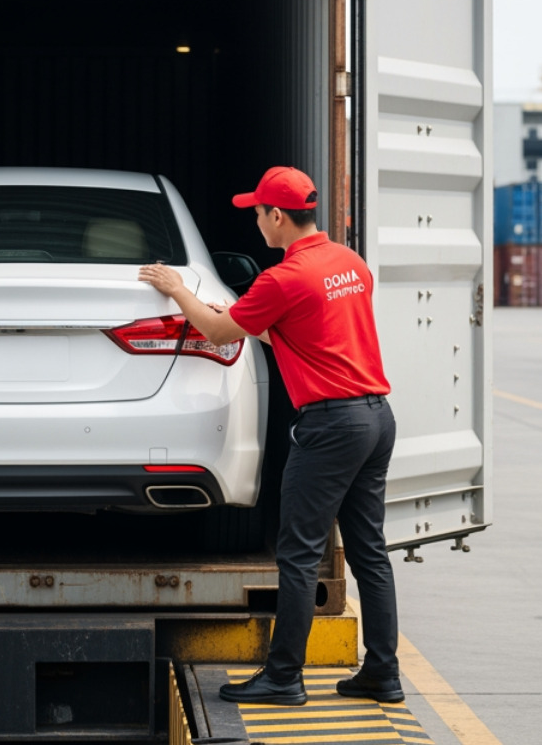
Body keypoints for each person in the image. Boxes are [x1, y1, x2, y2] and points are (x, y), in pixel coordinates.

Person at [139, 166, 401, 707]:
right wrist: (233, 314)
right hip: (375, 419)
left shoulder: (281, 278)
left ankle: (283, 677)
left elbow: (217, 332)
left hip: (331, 425)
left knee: (299, 555)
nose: (256, 221)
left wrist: (178, 291)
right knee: (370, 552)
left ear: (277, 216)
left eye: (257, 212)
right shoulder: (350, 264)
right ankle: (383, 673)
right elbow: (301, 326)